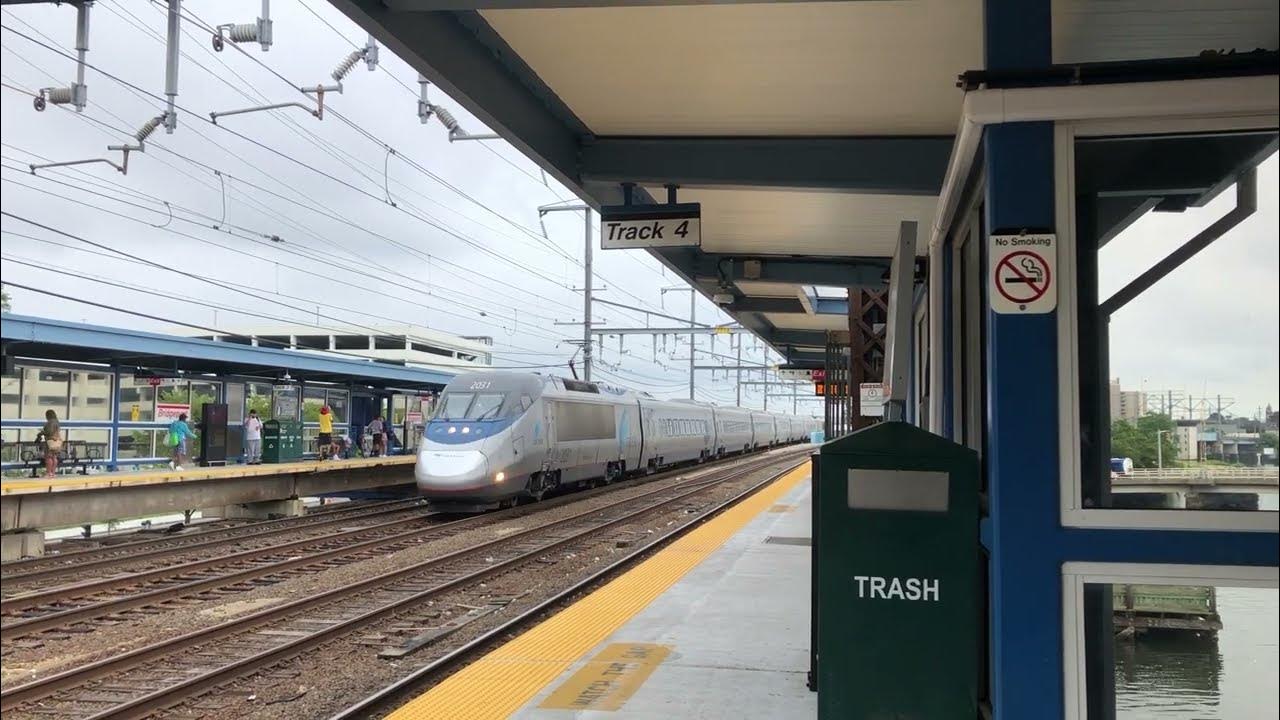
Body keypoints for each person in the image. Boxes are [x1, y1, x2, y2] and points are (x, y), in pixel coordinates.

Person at [41, 409, 63, 478]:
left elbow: (49, 432)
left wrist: (42, 432)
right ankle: (53, 473)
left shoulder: (49, 423)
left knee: (48, 457)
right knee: (54, 457)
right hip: (57, 441)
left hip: (50, 441)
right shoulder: (57, 422)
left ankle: (48, 472)